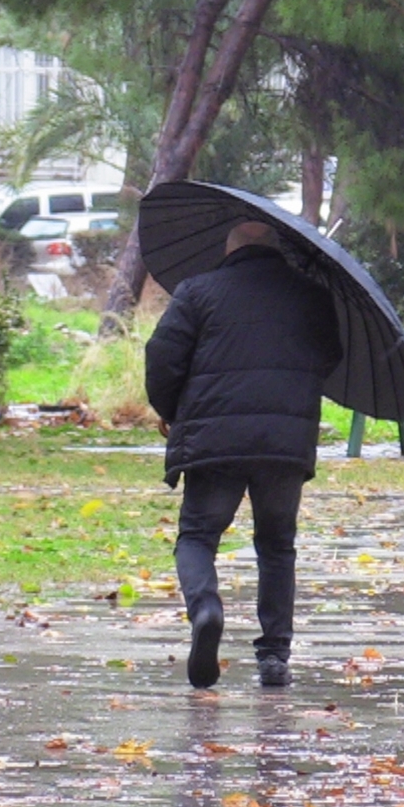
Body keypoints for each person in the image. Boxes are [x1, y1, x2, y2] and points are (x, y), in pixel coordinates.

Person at [145, 220, 343, 688]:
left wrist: (172, 409)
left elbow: (162, 356)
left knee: (197, 535)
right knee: (277, 546)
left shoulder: (197, 291)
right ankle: (274, 656)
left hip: (215, 441)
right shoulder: (311, 295)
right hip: (284, 441)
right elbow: (329, 355)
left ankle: (206, 608)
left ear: (229, 250)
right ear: (275, 250)